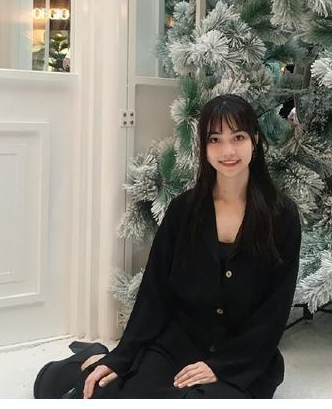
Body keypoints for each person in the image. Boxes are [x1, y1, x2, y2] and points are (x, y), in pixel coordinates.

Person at [33, 93, 302, 399]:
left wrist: (222, 366)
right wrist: (123, 356)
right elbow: (155, 292)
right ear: (203, 147)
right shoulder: (183, 211)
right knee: (103, 390)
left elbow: (274, 310)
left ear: (255, 140)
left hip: (243, 359)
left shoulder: (282, 216)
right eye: (215, 140)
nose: (227, 150)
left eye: (238, 137)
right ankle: (86, 361)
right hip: (177, 345)